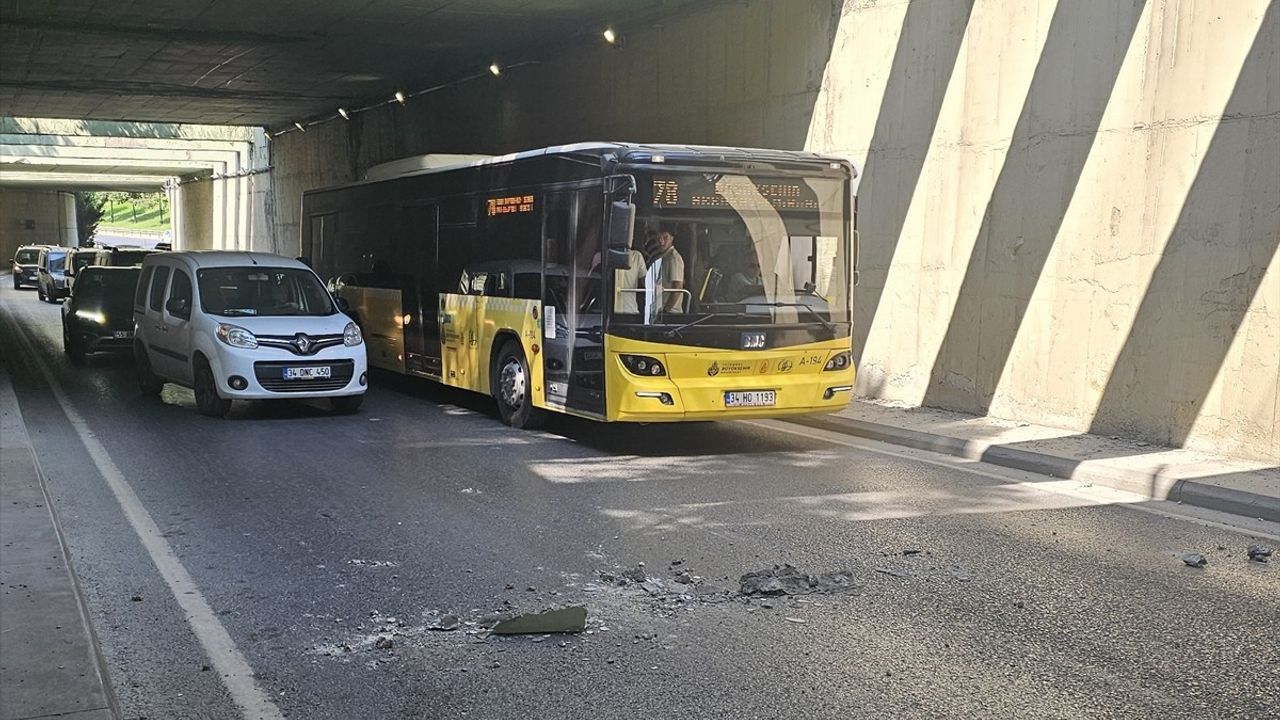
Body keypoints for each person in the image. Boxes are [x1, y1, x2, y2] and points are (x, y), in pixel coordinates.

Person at [652, 229, 685, 313]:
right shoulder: (661, 257)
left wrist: (666, 310)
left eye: (665, 237)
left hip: (671, 312)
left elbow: (678, 287)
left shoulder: (674, 258)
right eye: (658, 238)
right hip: (659, 309)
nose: (661, 242)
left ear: (672, 239)